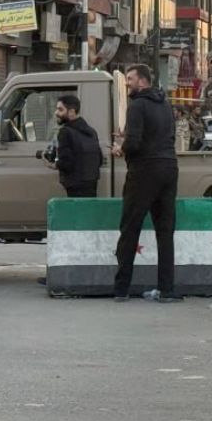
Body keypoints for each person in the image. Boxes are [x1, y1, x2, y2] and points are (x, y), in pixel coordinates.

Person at [111, 64, 181, 302]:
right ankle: (166, 289)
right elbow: (166, 136)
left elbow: (134, 143)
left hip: (144, 171)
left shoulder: (138, 105)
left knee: (130, 229)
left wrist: (120, 148)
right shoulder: (165, 104)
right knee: (165, 231)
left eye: (130, 79)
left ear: (142, 81)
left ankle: (121, 289)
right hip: (169, 168)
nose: (127, 83)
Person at [54, 94, 102, 198]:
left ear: (71, 112)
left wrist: (54, 164)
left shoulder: (65, 132)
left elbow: (66, 162)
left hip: (74, 185)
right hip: (91, 182)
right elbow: (99, 159)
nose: (56, 113)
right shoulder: (92, 132)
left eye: (60, 109)